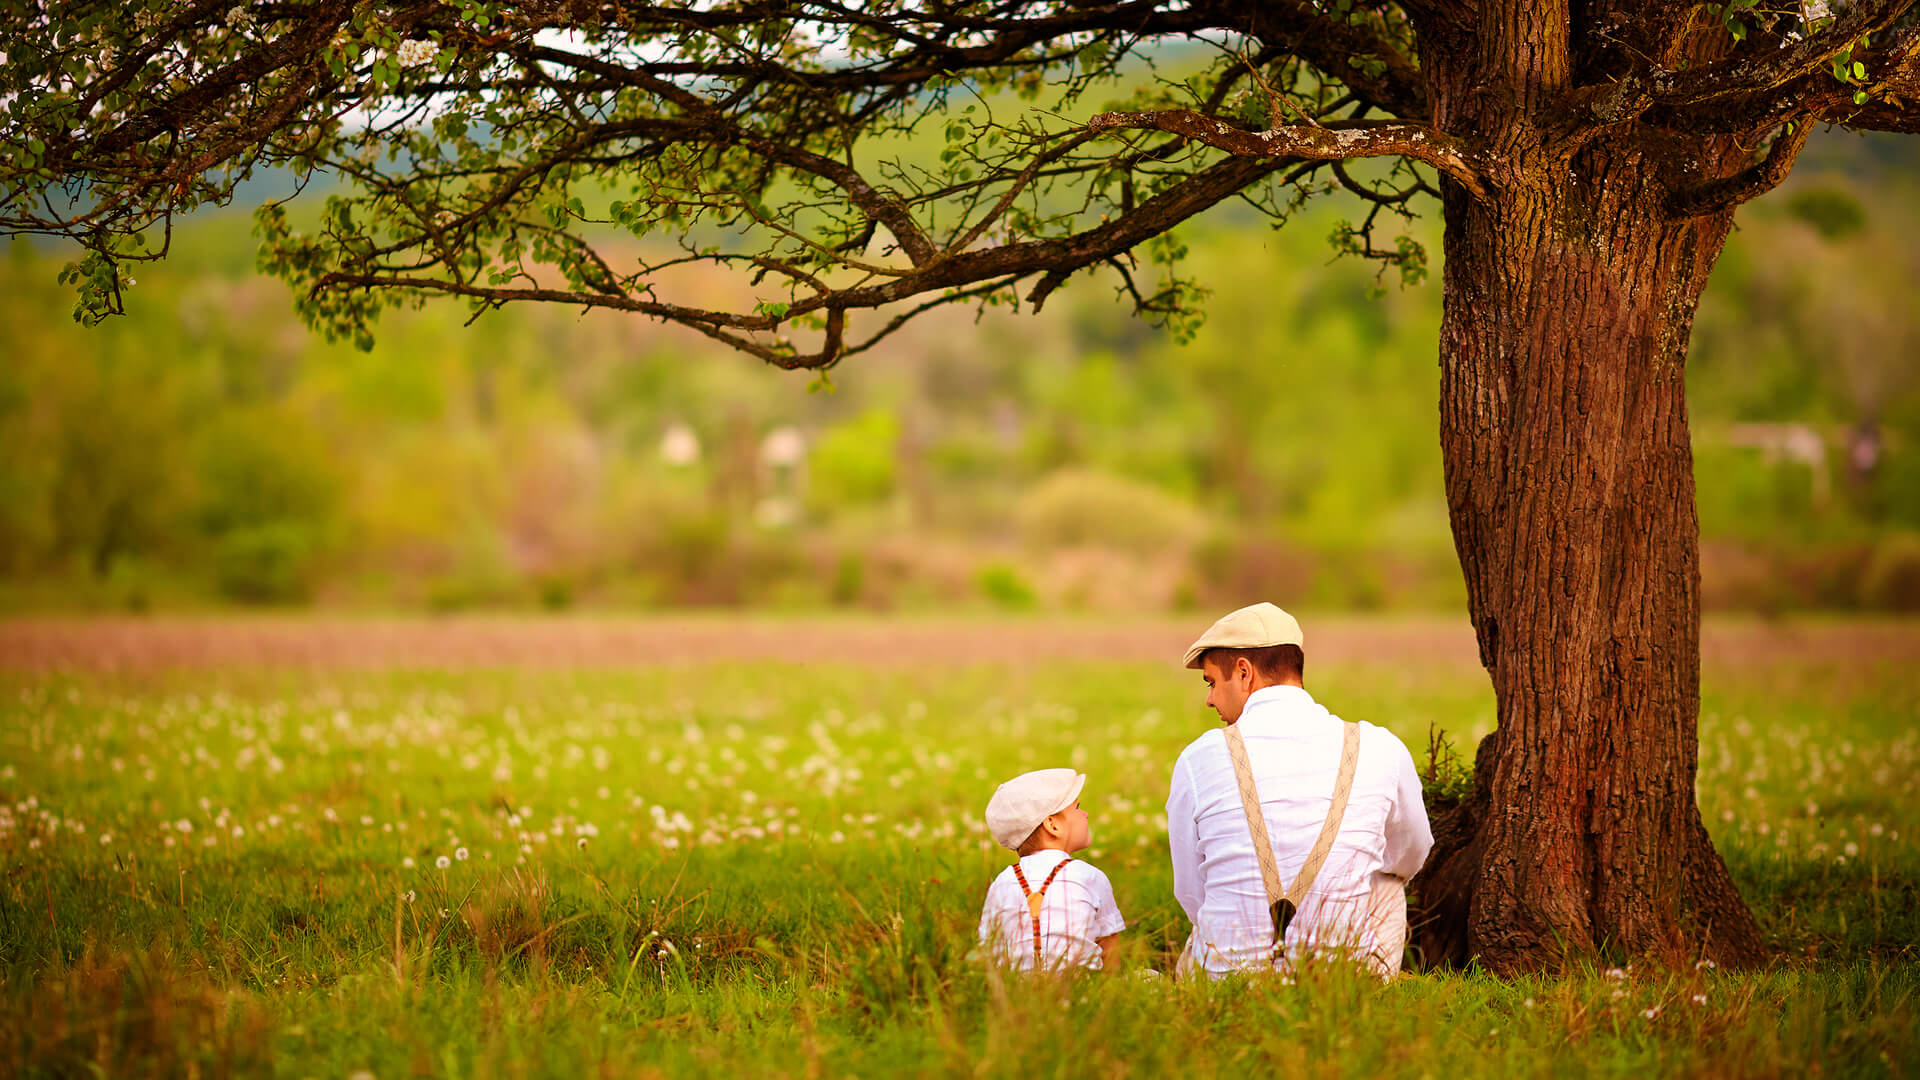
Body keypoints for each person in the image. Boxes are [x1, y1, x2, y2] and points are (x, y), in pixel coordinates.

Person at [1167, 602, 1432, 978]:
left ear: (1244, 672)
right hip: (1339, 983)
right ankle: (1369, 991)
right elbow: (1412, 855)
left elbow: (1191, 892)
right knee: (1387, 882)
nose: (1209, 698)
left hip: (1227, 983)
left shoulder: (1198, 759)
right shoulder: (1380, 747)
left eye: (1211, 681)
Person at [978, 768, 1126, 972]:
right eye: (1077, 807)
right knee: (1150, 977)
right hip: (1082, 988)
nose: (1085, 813)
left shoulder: (1002, 882)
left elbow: (991, 948)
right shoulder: (1089, 877)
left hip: (1017, 991)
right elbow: (1110, 948)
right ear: (1052, 825)